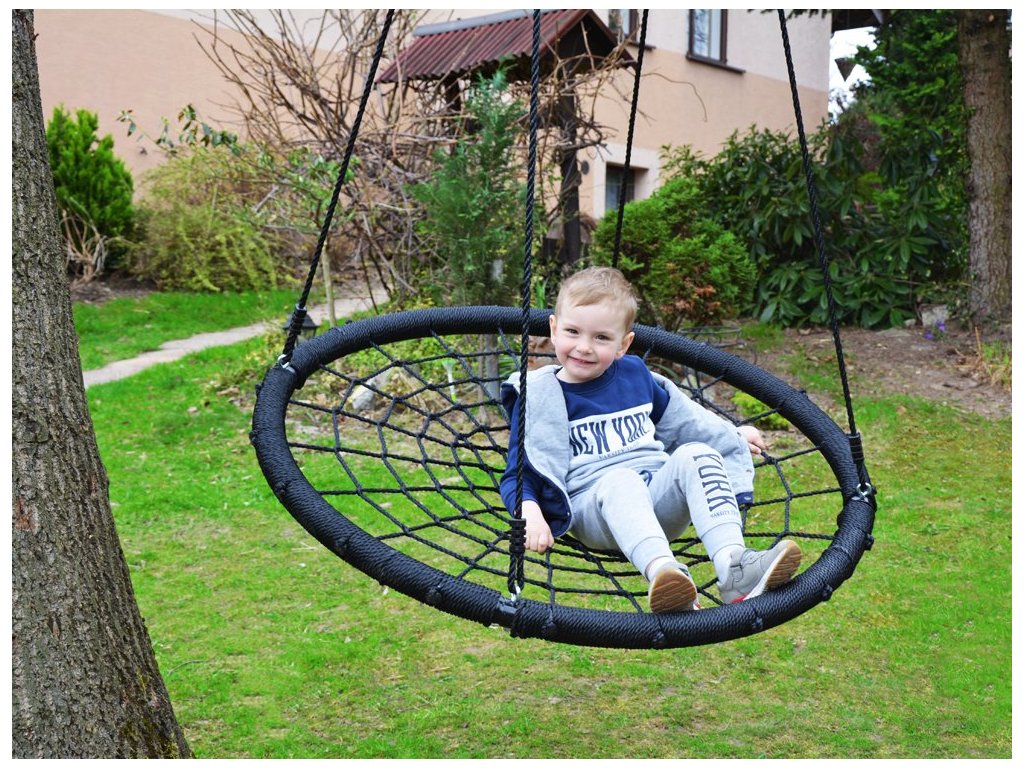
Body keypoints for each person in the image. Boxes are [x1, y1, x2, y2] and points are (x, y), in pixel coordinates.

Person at [499, 266, 801, 613]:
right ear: (553, 329)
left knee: (698, 452)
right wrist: (530, 513)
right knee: (621, 480)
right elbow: (517, 473)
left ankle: (734, 566)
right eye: (572, 331)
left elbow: (686, 421)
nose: (584, 347)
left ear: (623, 344)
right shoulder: (539, 396)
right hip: (593, 510)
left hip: (657, 500)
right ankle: (666, 576)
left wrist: (731, 435)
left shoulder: (635, 376)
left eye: (601, 338)